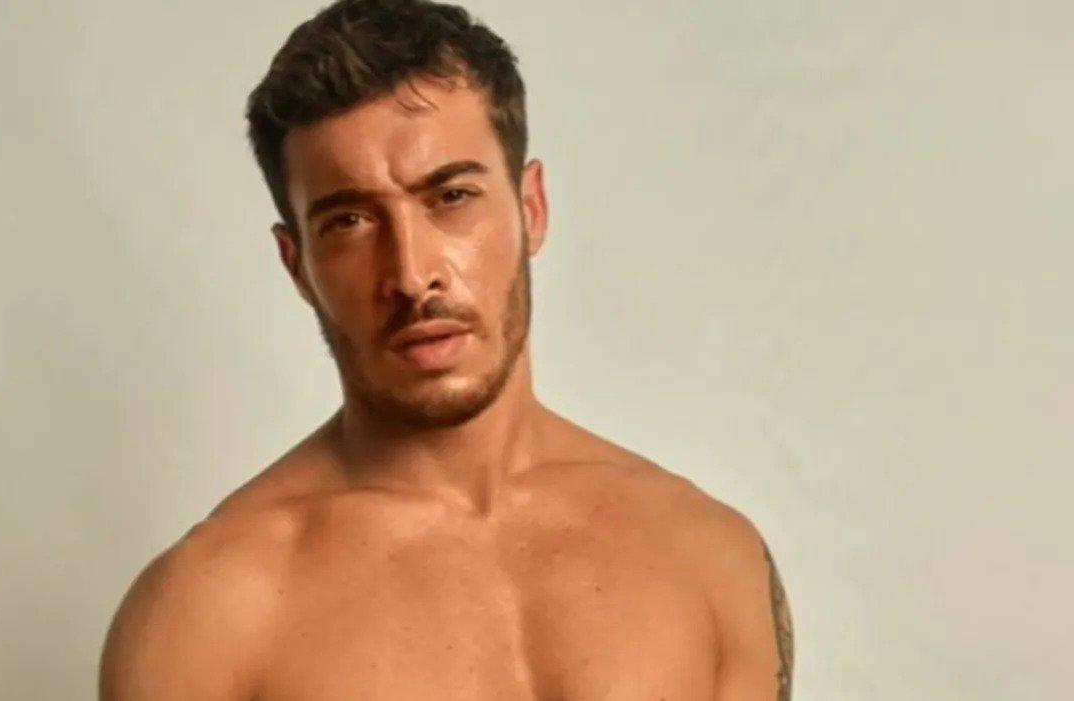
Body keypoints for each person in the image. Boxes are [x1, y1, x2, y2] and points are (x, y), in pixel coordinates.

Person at [99, 0, 793, 698]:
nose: (410, 273)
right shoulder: (206, 613)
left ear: (531, 208)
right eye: (349, 221)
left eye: (452, 196)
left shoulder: (706, 556)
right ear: (297, 264)